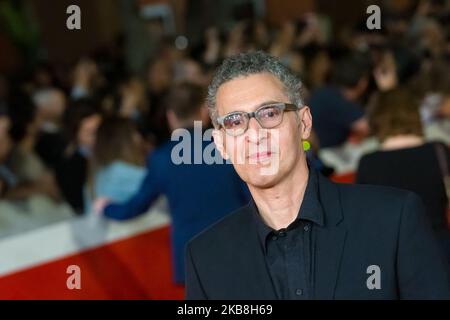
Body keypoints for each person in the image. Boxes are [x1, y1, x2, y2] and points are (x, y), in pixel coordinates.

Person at [185, 51, 450, 300]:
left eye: (269, 113)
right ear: (221, 145)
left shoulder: (394, 219)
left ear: (304, 124)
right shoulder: (205, 258)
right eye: (234, 121)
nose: (254, 134)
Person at [94, 83, 249, 284]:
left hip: (193, 258)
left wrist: (106, 207)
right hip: (240, 247)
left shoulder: (160, 159)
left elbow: (134, 207)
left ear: (170, 116)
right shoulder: (230, 144)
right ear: (204, 112)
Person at [357, 87, 450, 260]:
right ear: (415, 114)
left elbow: (365, 221)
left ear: (376, 119)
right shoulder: (439, 151)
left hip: (395, 256)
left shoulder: (369, 163)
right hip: (440, 250)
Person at [84, 116, 146, 213]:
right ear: (125, 140)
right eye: (134, 133)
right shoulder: (126, 172)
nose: (139, 138)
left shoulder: (95, 176)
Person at [308, 54, 370, 148]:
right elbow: (366, 127)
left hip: (314, 150)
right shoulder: (342, 103)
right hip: (327, 154)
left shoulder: (321, 92)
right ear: (363, 83)